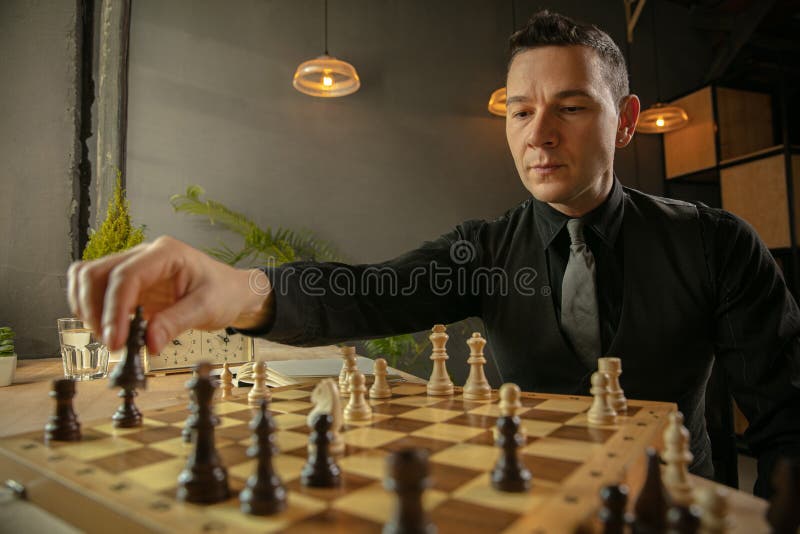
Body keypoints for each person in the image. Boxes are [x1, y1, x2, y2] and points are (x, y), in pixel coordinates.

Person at [67, 11, 800, 497]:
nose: (538, 134)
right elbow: (369, 292)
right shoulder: (484, 250)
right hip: (529, 507)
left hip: (673, 507)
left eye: (571, 107)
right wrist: (235, 289)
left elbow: (787, 427)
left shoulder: (715, 244)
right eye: (519, 110)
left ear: (627, 120)